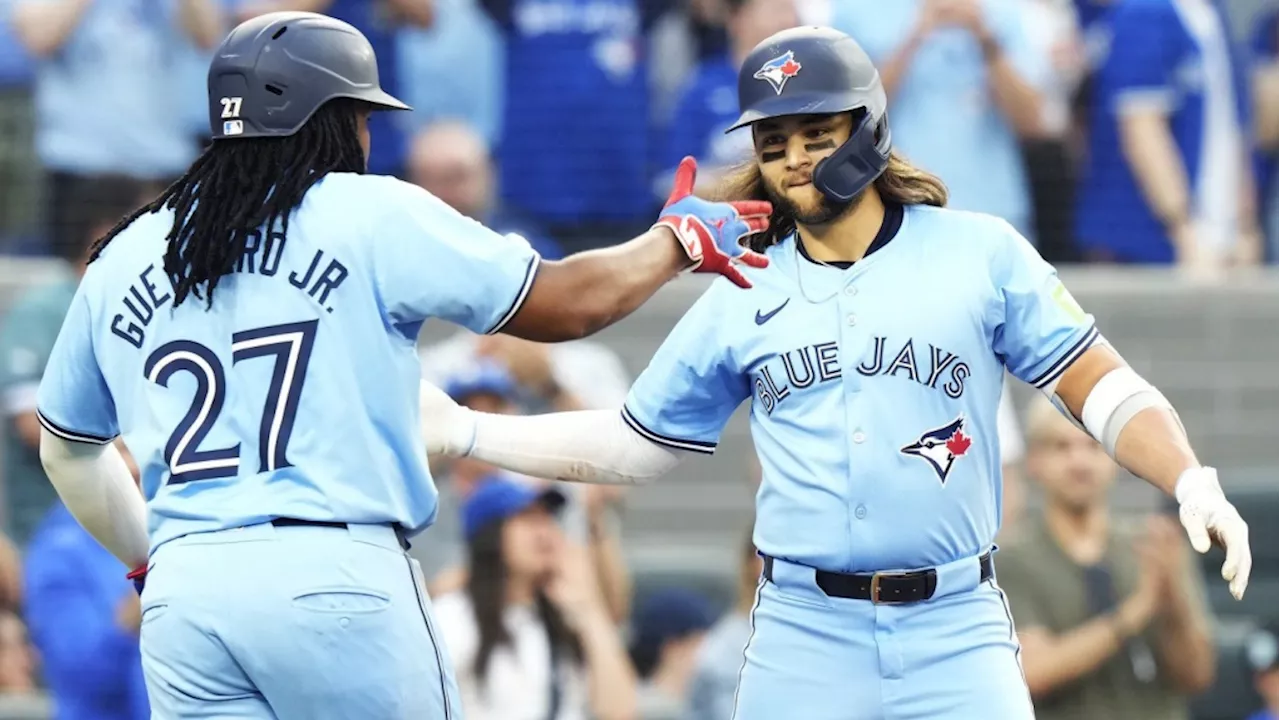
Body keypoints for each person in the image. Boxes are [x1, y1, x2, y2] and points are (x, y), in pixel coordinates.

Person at [419, 25, 1253, 720]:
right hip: (802, 633)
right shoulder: (743, 283)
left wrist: (1186, 476)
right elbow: (639, 443)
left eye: (818, 131)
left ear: (868, 129)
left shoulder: (979, 252)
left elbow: (1101, 388)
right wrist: (469, 432)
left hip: (956, 628)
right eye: (774, 139)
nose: (794, 157)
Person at [31, 10, 770, 720]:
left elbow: (68, 453)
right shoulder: (366, 212)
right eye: (358, 114)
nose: (365, 133)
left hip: (189, 592)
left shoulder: (127, 252)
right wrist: (673, 242)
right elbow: (565, 305)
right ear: (324, 120)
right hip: (335, 572)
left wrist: (147, 556)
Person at [995, 396, 1215, 720]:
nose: (1079, 462)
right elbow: (1032, 673)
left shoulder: (1153, 546)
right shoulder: (1011, 558)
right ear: (1034, 461)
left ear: (1115, 458)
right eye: (1061, 447)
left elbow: (1197, 675)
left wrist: (1173, 603)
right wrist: (1137, 609)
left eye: (1092, 446)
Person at [432, 477, 637, 720]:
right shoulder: (453, 614)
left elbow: (620, 711)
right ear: (490, 535)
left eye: (548, 518)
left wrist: (589, 610)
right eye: (528, 518)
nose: (544, 532)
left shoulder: (565, 612)